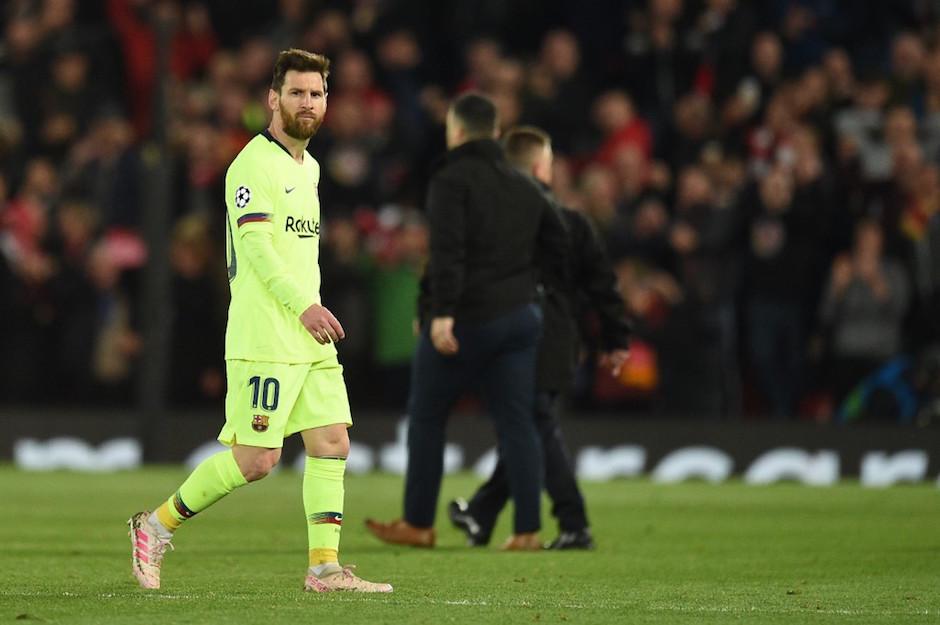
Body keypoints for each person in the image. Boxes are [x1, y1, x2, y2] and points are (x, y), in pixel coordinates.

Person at [127, 49, 391, 593]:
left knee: (332, 442)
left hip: (307, 333)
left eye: (316, 94)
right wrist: (306, 306)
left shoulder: (310, 167)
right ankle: (154, 526)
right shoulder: (252, 164)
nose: (307, 103)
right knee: (256, 460)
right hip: (268, 332)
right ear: (273, 100)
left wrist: (308, 312)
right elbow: (257, 250)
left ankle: (324, 569)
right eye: (296, 93)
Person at [364, 93, 568, 550]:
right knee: (518, 423)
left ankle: (418, 523)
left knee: (427, 418)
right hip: (518, 321)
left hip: (465, 322)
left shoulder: (452, 179)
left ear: (454, 132)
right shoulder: (524, 185)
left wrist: (439, 313)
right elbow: (558, 247)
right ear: (496, 133)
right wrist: (529, 290)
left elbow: (447, 254)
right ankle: (528, 530)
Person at [448, 126, 631, 550]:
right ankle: (483, 512)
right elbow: (603, 283)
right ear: (539, 166)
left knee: (534, 427)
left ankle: (575, 522)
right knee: (528, 428)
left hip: (523, 337)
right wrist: (615, 337)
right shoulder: (571, 222)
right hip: (557, 339)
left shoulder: (495, 224)